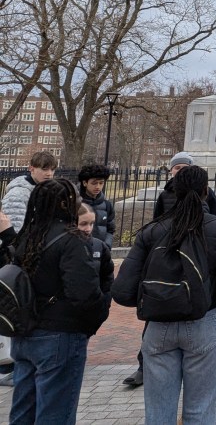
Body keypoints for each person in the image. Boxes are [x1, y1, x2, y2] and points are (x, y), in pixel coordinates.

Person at [112, 165, 216, 424]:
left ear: (174, 191)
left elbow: (121, 291)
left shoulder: (152, 230)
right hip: (204, 319)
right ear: (206, 191)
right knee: (201, 409)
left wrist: (153, 297)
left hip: (158, 323)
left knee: (158, 413)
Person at [8, 179, 106, 425]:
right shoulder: (71, 240)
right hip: (60, 334)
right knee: (55, 413)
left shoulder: (27, 235)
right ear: (65, 204)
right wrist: (95, 318)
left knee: (23, 410)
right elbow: (84, 293)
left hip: (25, 331)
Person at [154, 151, 216, 218]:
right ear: (171, 170)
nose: (181, 170)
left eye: (185, 168)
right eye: (177, 168)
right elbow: (157, 218)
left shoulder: (205, 191)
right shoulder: (164, 194)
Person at [2, 151, 57, 232]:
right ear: (31, 169)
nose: (49, 173)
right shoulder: (17, 195)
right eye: (44, 169)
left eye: (52, 169)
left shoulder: (47, 191)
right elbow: (15, 232)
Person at [76, 203, 113, 322]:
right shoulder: (64, 247)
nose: (88, 228)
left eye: (91, 223)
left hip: (92, 310)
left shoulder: (100, 246)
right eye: (83, 224)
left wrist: (104, 304)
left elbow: (107, 279)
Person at [77, 164, 115, 249]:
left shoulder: (107, 205)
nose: (98, 187)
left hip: (101, 249)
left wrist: (106, 246)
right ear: (85, 183)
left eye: (101, 183)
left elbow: (111, 229)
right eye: (94, 183)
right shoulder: (75, 204)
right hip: (79, 249)